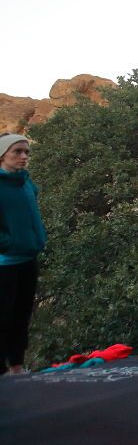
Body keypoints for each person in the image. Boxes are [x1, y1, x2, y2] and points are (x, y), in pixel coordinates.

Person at [0, 133, 46, 375]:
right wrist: (8, 244)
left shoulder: (26, 182)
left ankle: (17, 366)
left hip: (28, 259)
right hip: (5, 263)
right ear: (2, 154)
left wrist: (37, 239)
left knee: (22, 316)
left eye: (26, 152)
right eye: (17, 151)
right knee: (2, 318)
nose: (23, 156)